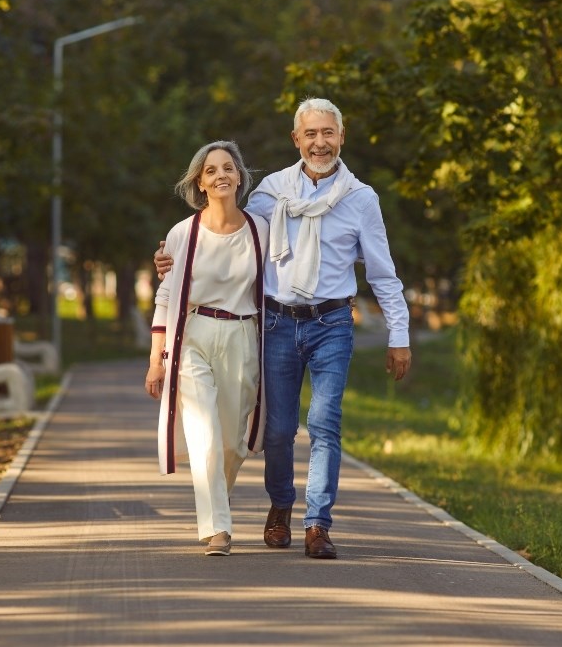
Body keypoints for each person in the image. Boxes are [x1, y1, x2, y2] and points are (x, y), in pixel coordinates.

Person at [156, 98, 411, 559]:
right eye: (310, 134)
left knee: (325, 423)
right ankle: (280, 506)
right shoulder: (271, 193)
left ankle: (317, 523)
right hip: (275, 321)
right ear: (297, 140)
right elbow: (232, 238)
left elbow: (382, 273)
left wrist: (399, 336)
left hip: (333, 321)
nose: (320, 142)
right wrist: (173, 260)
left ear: (341, 136)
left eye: (328, 133)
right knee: (277, 430)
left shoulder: (361, 199)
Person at [145, 140, 269, 556]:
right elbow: (165, 297)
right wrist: (155, 362)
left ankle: (218, 498)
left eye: (228, 168)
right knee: (204, 433)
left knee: (233, 441)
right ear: (200, 181)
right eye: (211, 170)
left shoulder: (260, 229)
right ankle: (217, 528)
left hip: (242, 335)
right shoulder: (183, 233)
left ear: (239, 177)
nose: (220, 176)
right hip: (193, 334)